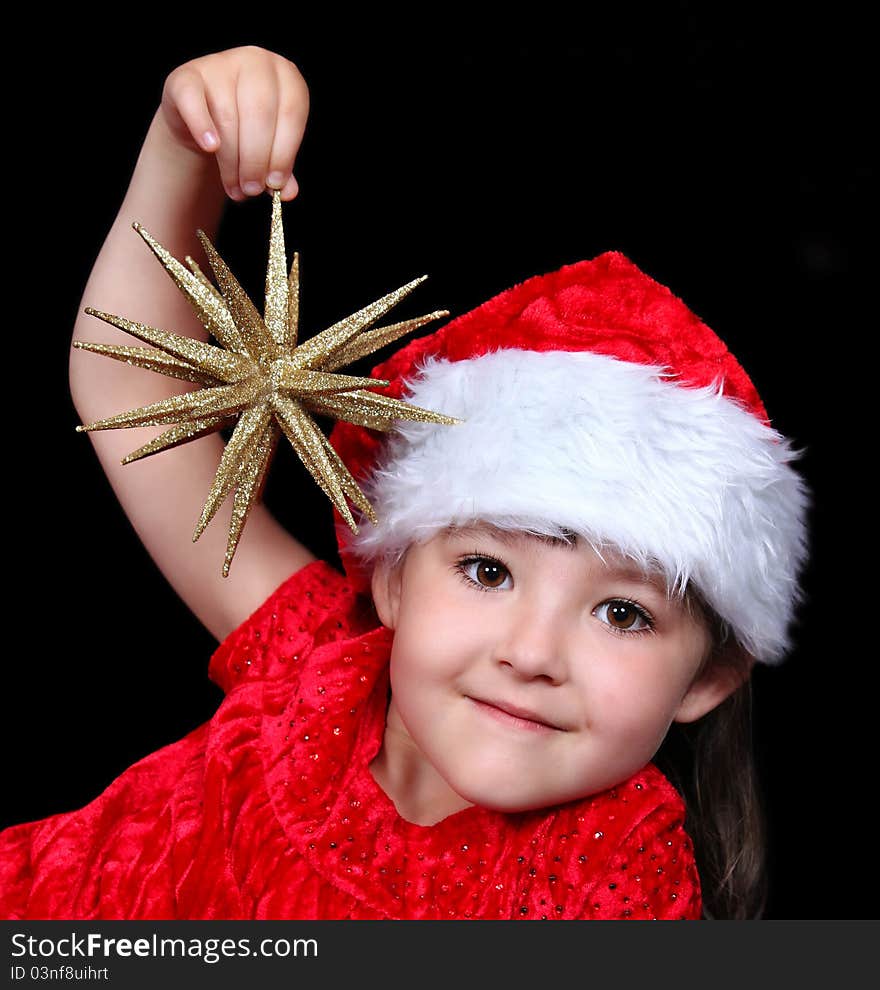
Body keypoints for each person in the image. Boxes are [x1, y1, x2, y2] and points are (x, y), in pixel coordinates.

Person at [0, 46, 808, 921]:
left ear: (706, 680)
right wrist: (183, 149)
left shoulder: (616, 888)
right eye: (488, 570)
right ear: (389, 574)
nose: (531, 655)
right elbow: (133, 391)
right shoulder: (316, 664)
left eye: (624, 613)